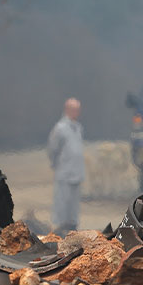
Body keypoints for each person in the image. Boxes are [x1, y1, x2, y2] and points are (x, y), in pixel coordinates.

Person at [47, 98, 84, 233]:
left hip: (77, 171)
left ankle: (72, 225)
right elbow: (53, 149)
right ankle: (59, 227)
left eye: (78, 110)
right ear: (67, 110)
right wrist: (56, 164)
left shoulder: (78, 127)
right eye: (74, 109)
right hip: (64, 171)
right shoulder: (60, 128)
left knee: (73, 204)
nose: (76, 112)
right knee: (62, 201)